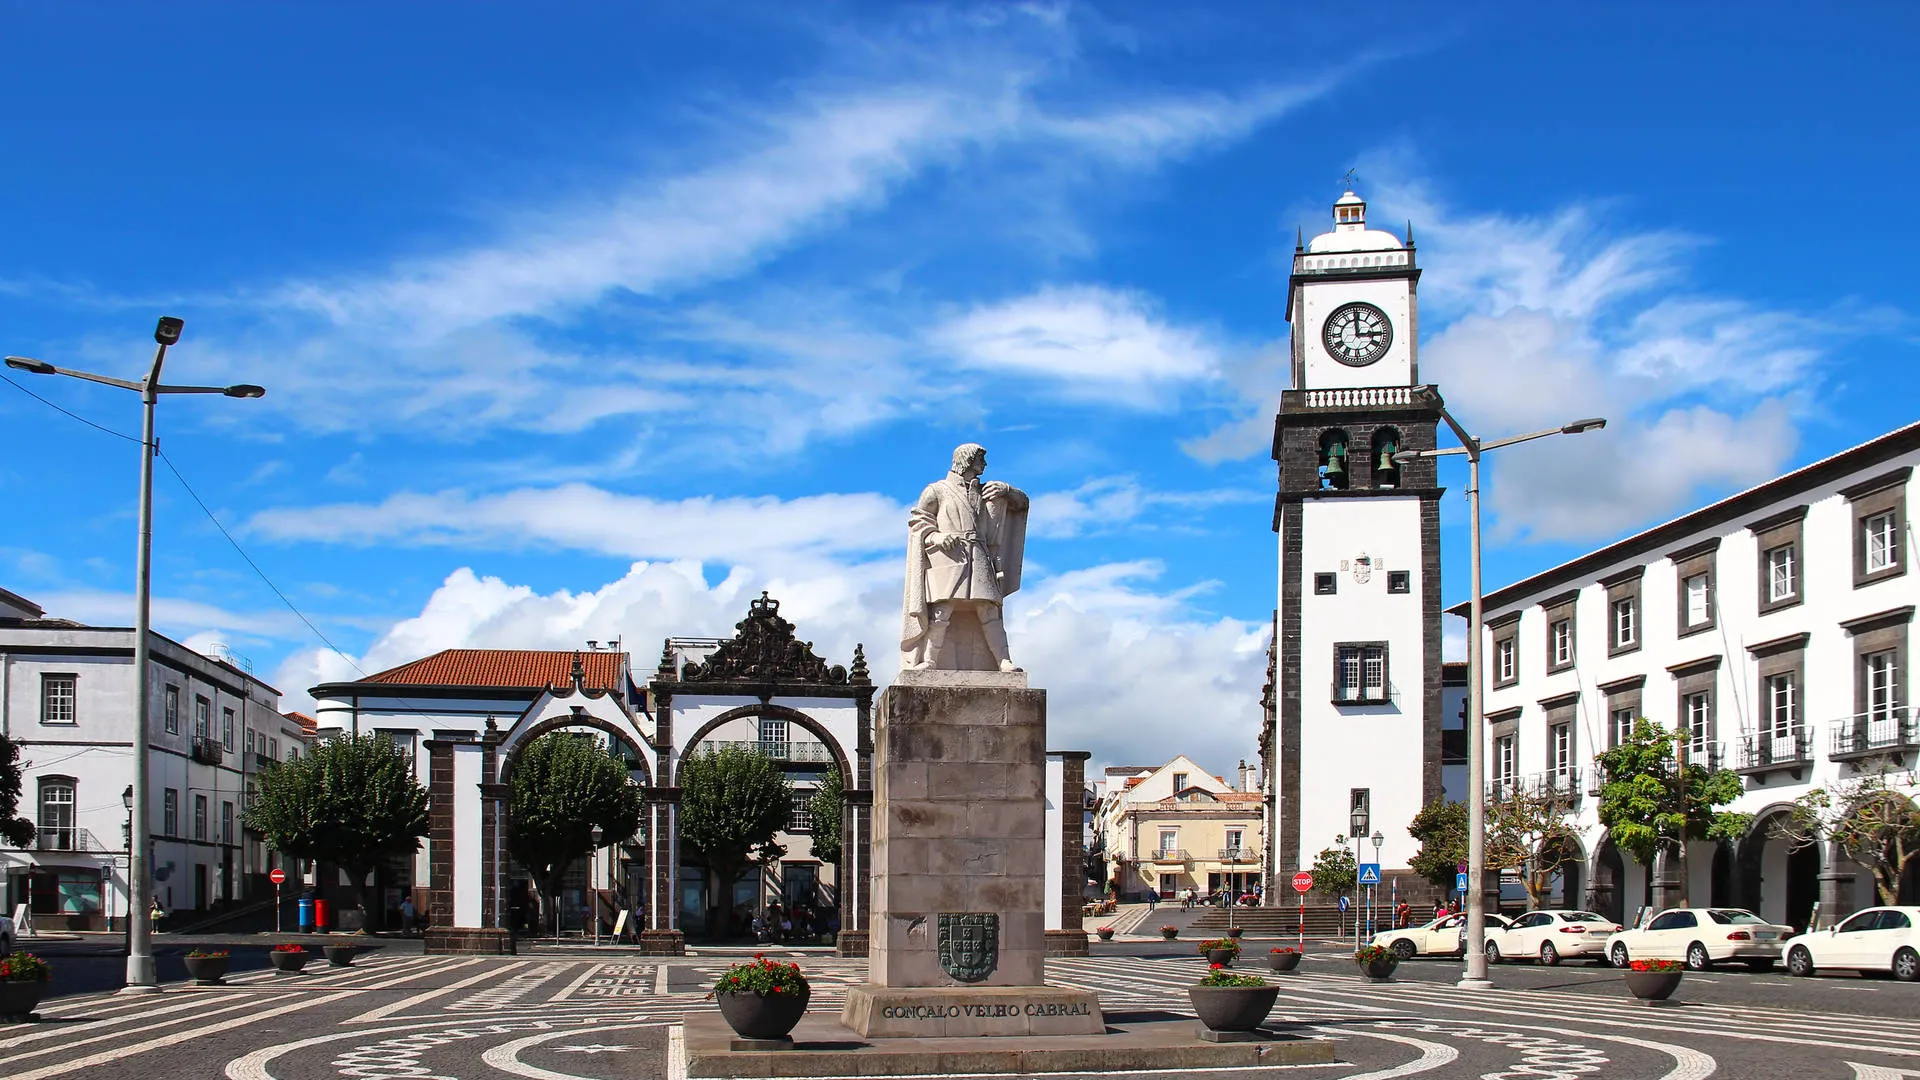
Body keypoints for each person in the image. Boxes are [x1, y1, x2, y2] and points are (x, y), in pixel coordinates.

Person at [900, 443, 1030, 673]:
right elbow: (918, 523)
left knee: (988, 609)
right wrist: (936, 537)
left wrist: (1007, 490)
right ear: (969, 461)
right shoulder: (936, 490)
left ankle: (1003, 661)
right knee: (941, 611)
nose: (985, 465)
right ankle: (930, 661)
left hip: (979, 554)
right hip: (949, 555)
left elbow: (1021, 503)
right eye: (981, 460)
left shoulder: (986, 490)